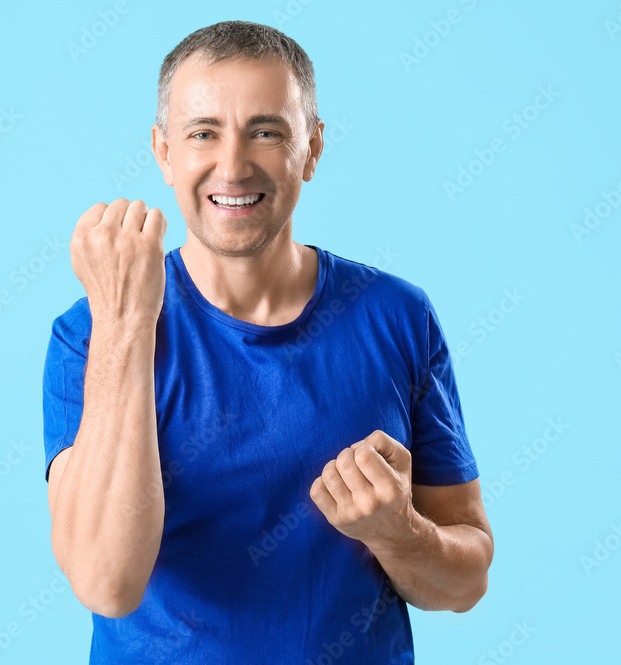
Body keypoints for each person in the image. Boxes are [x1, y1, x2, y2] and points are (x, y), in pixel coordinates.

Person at [42, 20, 493, 664]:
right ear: (164, 152)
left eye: (266, 131)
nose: (232, 165)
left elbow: (465, 581)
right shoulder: (89, 334)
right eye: (203, 133)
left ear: (310, 150)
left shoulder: (397, 315)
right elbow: (106, 584)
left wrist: (399, 533)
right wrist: (126, 320)